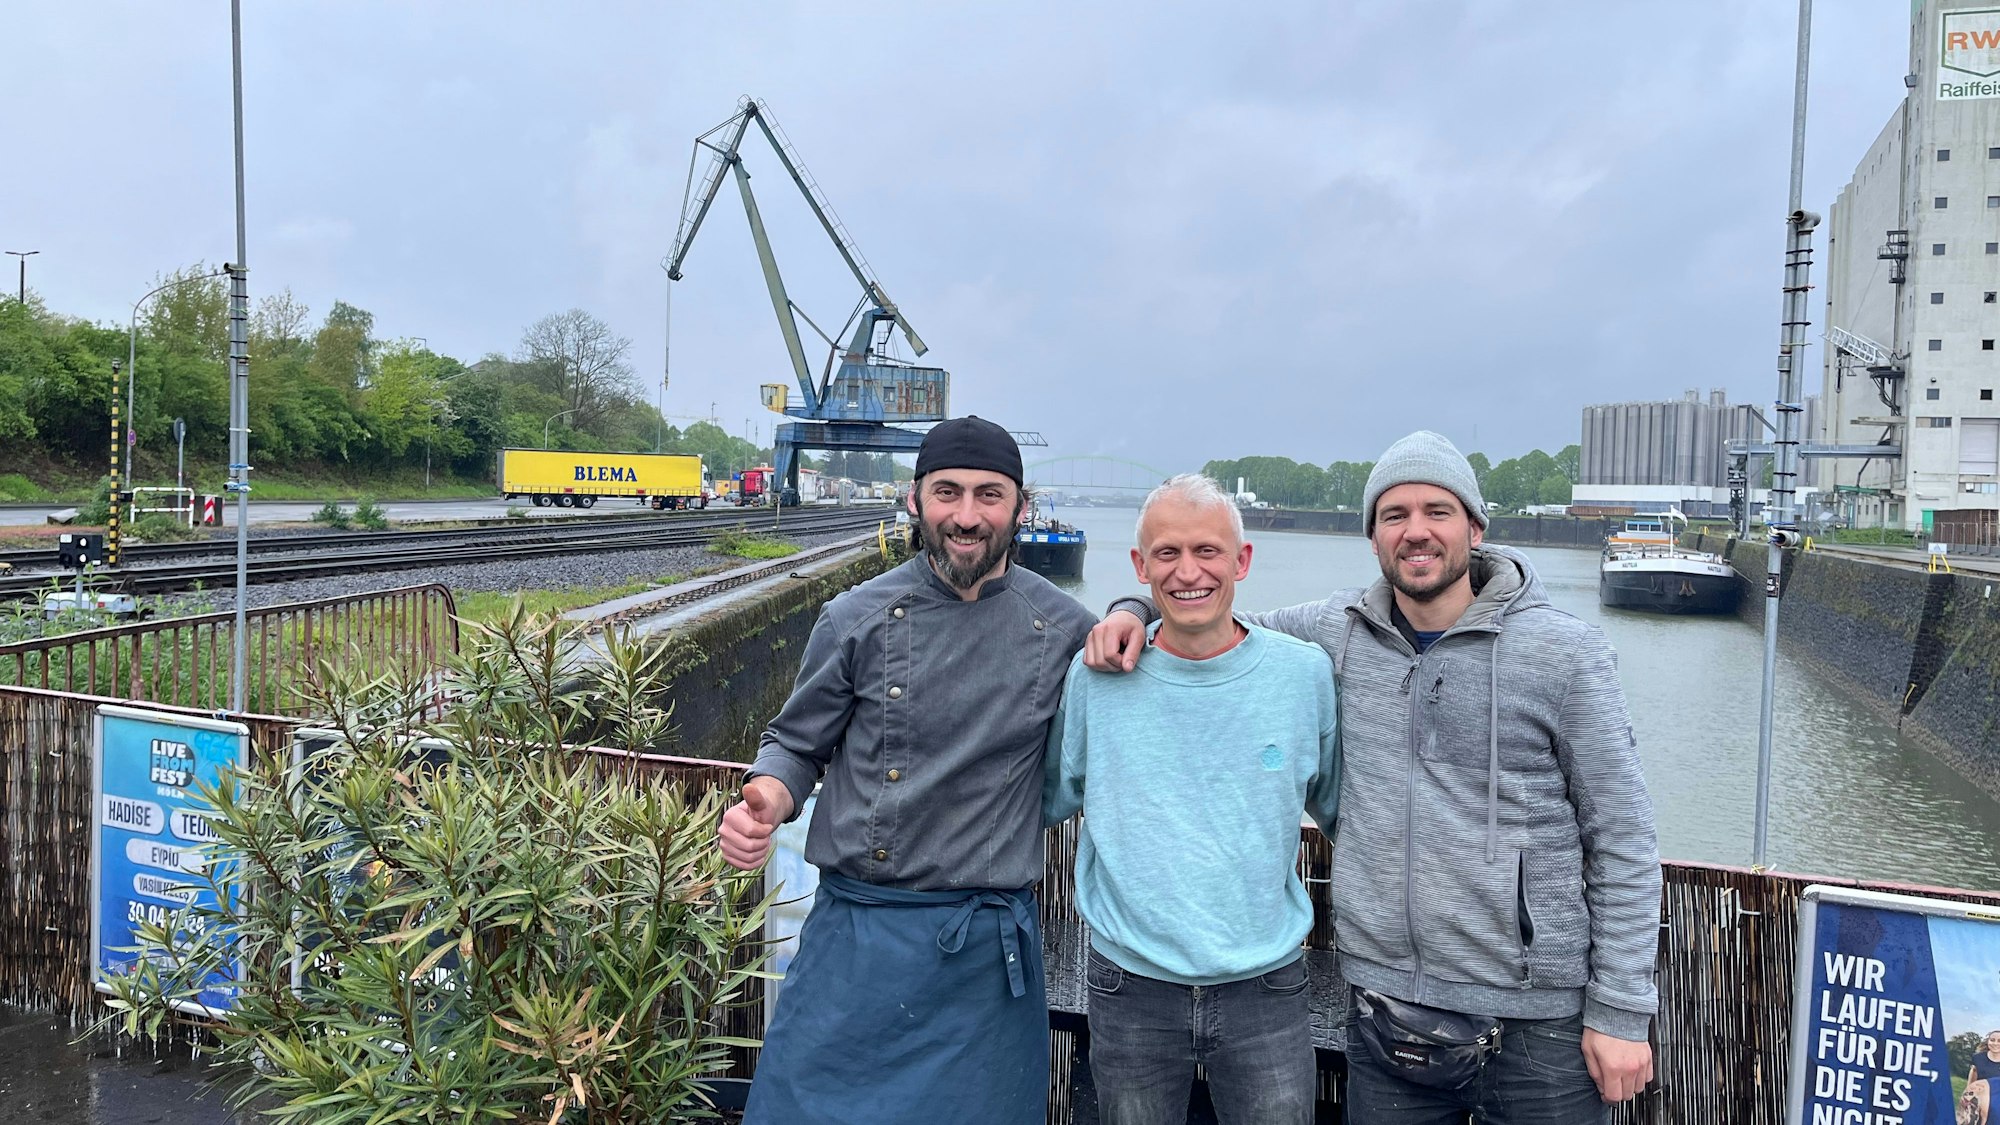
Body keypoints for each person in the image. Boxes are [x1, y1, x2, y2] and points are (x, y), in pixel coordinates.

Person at [1086, 430, 1660, 1124]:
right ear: (1373, 536)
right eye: (1394, 515)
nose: (1416, 531)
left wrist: (1623, 1010)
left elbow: (1623, 837)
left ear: (1474, 526)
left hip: (1539, 1029)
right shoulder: (1333, 634)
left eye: (1436, 511)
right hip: (1390, 1017)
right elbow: (1208, 621)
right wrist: (1133, 607)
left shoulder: (1566, 654)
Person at [715, 416, 1096, 1125]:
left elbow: (1156, 645)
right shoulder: (854, 615)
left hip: (983, 961)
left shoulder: (1067, 628)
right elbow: (796, 745)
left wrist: (1135, 605)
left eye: (990, 495)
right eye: (947, 492)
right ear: (916, 499)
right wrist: (764, 802)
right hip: (857, 937)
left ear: (1021, 506)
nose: (967, 515)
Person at [1045, 474, 1340, 1124]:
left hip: (1266, 981)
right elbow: (1048, 798)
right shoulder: (1096, 678)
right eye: (1168, 553)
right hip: (1130, 982)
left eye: (1207, 551)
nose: (1188, 572)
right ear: (1140, 566)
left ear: (1242, 560)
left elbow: (1338, 809)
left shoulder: (1303, 674)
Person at [1964, 1030, 2000, 1124]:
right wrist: (1968, 1099)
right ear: (1988, 1041)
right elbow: (1972, 1082)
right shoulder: (1978, 1058)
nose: (1995, 1043)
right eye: (1992, 1040)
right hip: (1979, 1104)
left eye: (1999, 1041)